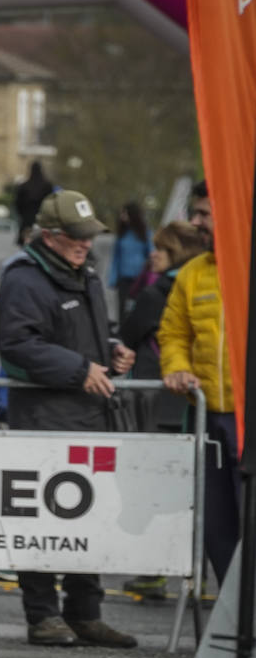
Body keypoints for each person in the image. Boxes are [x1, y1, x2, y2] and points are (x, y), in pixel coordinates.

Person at [0, 189, 137, 648]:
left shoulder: (86, 274)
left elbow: (84, 336)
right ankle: (43, 615)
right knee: (43, 518)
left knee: (86, 516)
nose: (86, 244)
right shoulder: (24, 278)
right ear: (51, 236)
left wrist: (110, 351)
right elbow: (18, 346)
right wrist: (81, 369)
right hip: (45, 418)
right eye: (77, 237)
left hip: (87, 417)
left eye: (88, 236)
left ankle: (85, 612)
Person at [118, 220, 206, 600]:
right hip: (195, 403)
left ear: (177, 254)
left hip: (157, 403)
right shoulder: (200, 285)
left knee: (152, 491)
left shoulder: (158, 294)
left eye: (162, 249)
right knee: (194, 494)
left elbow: (127, 334)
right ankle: (198, 576)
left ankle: (154, 571)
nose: (152, 254)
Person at [158, 180, 239, 588]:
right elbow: (173, 333)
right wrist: (176, 366)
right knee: (218, 529)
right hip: (209, 420)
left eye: (204, 213)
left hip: (247, 421)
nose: (195, 222)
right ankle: (232, 627)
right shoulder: (192, 272)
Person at [108, 201, 152, 317]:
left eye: (125, 213)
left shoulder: (145, 234)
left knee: (136, 308)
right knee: (122, 308)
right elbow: (116, 258)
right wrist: (113, 278)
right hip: (124, 279)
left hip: (140, 279)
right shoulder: (122, 235)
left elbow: (151, 255)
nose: (122, 216)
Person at [13, 161, 54, 246]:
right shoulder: (47, 186)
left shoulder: (24, 186)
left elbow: (17, 203)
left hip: (27, 219)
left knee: (26, 244)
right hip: (42, 220)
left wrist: (22, 214)